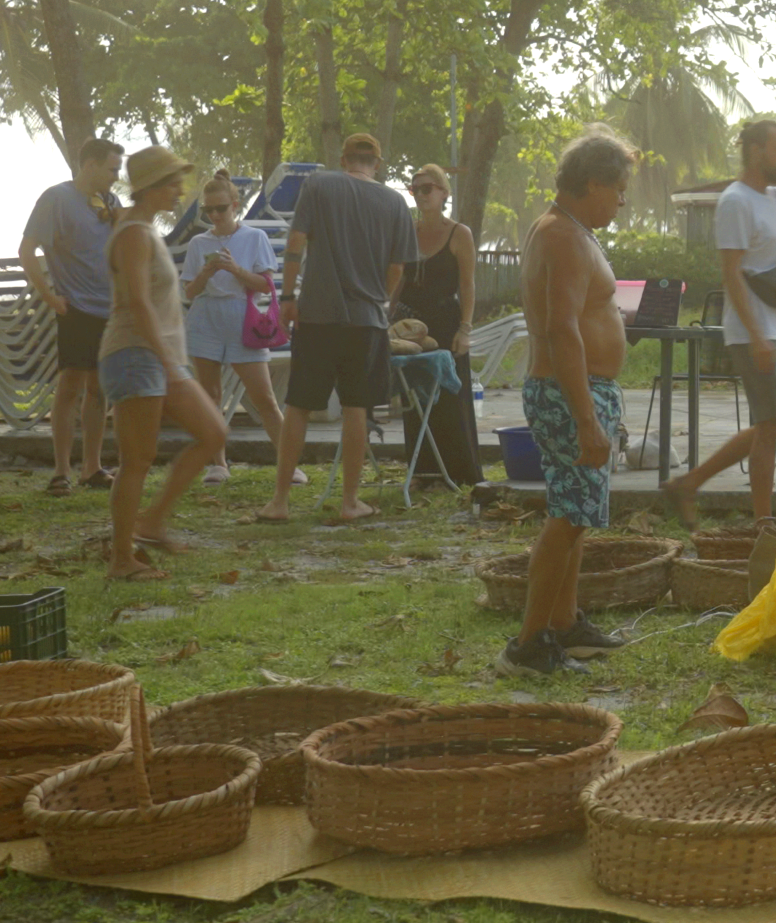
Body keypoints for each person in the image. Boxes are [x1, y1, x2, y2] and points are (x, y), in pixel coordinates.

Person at [496, 128, 642, 676]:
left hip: (578, 389)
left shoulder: (567, 229)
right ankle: (528, 644)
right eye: (619, 189)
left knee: (575, 517)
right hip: (567, 393)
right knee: (567, 519)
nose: (623, 201)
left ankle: (564, 623)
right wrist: (587, 420)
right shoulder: (561, 235)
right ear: (593, 183)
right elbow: (562, 330)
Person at [661, 120, 776, 571]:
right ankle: (763, 525)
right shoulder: (735, 201)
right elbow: (731, 272)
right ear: (755, 151)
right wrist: (754, 336)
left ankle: (690, 483)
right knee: (771, 425)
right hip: (753, 332)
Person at [254, 133, 418, 524]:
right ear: (376, 164)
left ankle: (279, 501)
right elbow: (398, 268)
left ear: (344, 159)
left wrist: (289, 296)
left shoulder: (320, 184)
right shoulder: (395, 202)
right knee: (356, 408)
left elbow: (296, 240)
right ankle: (350, 502)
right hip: (366, 322)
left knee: (298, 404)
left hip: (317, 315)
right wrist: (381, 299)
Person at [98, 147, 227, 581]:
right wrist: (169, 362)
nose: (180, 190)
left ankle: (151, 523)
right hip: (135, 352)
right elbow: (136, 301)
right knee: (137, 459)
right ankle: (121, 558)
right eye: (173, 183)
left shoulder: (145, 231)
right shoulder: (133, 233)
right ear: (150, 187)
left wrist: (173, 360)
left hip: (161, 356)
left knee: (213, 433)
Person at [19, 136, 123, 495]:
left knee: (99, 389)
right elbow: (27, 250)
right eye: (111, 169)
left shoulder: (112, 202)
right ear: (90, 164)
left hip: (109, 308)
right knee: (71, 385)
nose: (115, 177)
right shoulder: (56, 199)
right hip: (75, 306)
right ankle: (61, 471)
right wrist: (48, 296)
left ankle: (91, 468)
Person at [177, 172, 292, 486]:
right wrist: (206, 272)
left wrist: (235, 269)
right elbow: (189, 292)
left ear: (235, 206)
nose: (214, 215)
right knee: (210, 395)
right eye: (208, 210)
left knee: (264, 398)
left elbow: (266, 286)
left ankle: (289, 464)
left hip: (242, 314)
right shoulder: (200, 242)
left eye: (221, 208)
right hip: (206, 317)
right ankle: (218, 463)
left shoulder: (254, 238)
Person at [391, 163, 484, 487]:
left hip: (446, 320)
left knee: (449, 395)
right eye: (415, 189)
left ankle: (458, 470)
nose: (420, 194)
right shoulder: (408, 231)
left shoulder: (460, 233)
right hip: (409, 322)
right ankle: (421, 470)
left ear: (444, 192)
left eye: (427, 188)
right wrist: (385, 317)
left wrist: (466, 329)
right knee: (414, 395)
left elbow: (469, 284)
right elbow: (398, 279)